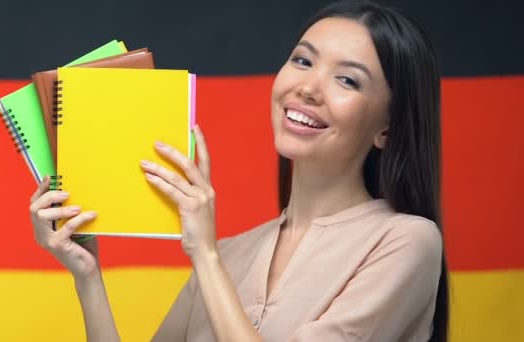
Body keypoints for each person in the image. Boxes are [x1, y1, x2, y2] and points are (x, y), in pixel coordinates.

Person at [29, 0, 449, 340]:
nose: (308, 87)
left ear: (387, 129)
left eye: (348, 81)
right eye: (303, 61)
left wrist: (205, 256)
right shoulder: (228, 252)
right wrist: (87, 276)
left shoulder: (407, 242)